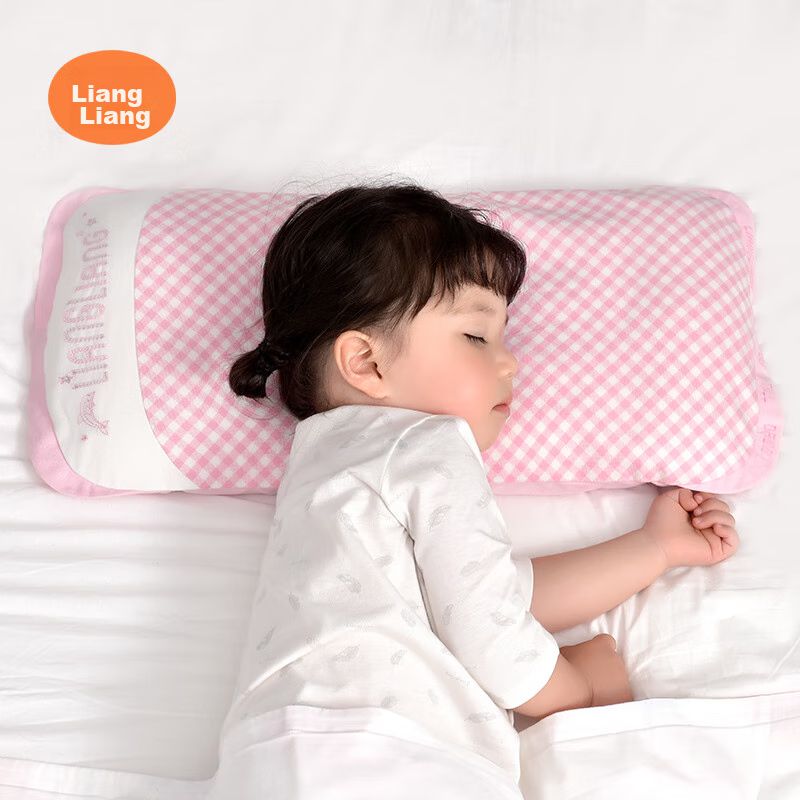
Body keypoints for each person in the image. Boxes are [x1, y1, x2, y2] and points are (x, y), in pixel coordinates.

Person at [224, 180, 740, 798]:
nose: (511, 362)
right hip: (397, 752)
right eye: (476, 336)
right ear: (367, 363)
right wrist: (582, 691)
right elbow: (488, 629)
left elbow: (485, 593)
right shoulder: (427, 442)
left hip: (271, 751)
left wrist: (654, 548)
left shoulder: (319, 466)